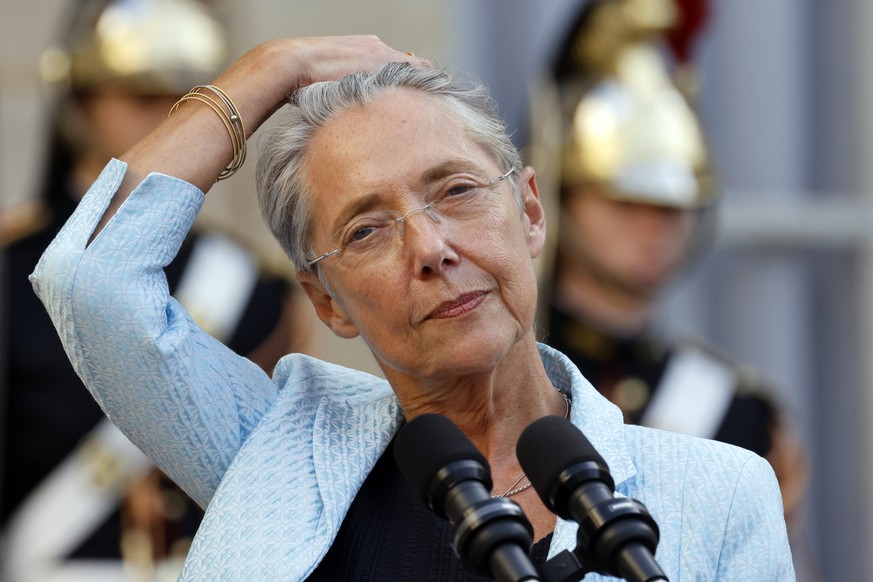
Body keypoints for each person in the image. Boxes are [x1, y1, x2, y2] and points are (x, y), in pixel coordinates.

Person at [28, 33, 794, 580]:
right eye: (365, 230)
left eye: (456, 191)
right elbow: (89, 278)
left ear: (529, 212)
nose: (429, 248)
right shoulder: (275, 451)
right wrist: (270, 69)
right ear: (325, 299)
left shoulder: (719, 495)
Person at [1, 1, 312, 579]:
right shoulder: (8, 272)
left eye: (185, 104)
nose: (170, 125)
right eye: (142, 99)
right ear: (78, 106)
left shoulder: (256, 288)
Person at [531, 0, 811, 544]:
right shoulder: (507, 378)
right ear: (560, 197)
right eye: (626, 199)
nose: (654, 227)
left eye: (672, 206)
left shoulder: (740, 412)